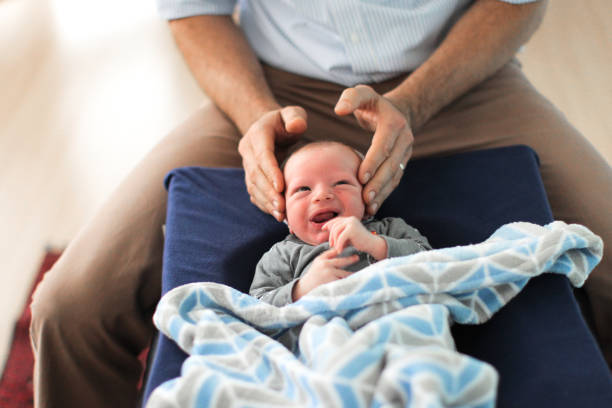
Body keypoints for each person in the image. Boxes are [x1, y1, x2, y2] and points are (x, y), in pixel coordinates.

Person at [29, 0, 612, 407]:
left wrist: (413, 103)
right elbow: (193, 8)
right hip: (279, 95)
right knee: (68, 307)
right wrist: (256, 114)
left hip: (459, 82)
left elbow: (517, 2)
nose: (324, 200)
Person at [249, 141, 431, 306]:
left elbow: (434, 262)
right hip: (323, 331)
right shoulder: (282, 255)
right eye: (303, 189)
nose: (322, 195)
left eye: (341, 183)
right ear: (286, 217)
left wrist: (376, 245)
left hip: (396, 313)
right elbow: (256, 307)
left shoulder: (389, 229)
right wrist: (301, 290)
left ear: (368, 200)